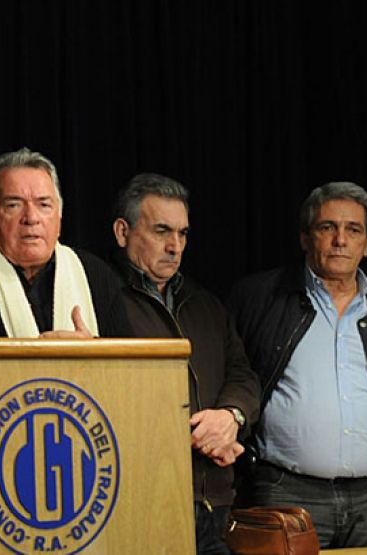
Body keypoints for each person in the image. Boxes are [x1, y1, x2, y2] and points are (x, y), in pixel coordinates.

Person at [226, 181, 367, 548]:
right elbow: (233, 379)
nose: (340, 240)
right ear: (305, 237)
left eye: (353, 230)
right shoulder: (257, 299)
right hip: (283, 496)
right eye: (327, 227)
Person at [110, 173, 259, 554]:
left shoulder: (206, 304)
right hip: (140, 503)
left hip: (216, 507)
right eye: (162, 231)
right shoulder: (100, 299)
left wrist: (230, 417)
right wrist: (196, 436)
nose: (175, 246)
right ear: (122, 231)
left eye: (183, 234)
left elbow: (243, 375)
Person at [0, 147, 130, 338]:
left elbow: (128, 362)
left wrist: (90, 350)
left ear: (59, 219)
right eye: (14, 205)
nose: (31, 218)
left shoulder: (94, 273)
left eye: (43, 205)